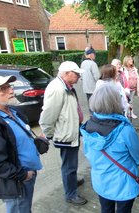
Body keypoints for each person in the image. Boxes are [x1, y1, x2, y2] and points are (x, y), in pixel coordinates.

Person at [80, 83, 139, 213]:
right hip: (124, 182)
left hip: (101, 180)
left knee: (106, 209)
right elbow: (137, 157)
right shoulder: (125, 129)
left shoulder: (87, 127)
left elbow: (88, 153)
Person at [39, 61, 87, 205]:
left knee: (71, 163)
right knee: (69, 165)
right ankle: (70, 194)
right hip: (66, 134)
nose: (79, 76)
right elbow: (47, 116)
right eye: (76, 73)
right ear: (67, 73)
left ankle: (71, 180)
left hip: (71, 130)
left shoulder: (66, 86)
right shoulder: (57, 89)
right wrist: (48, 135)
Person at [0, 75, 42, 212]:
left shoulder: (13, 111)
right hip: (17, 181)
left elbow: (18, 140)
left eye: (10, 86)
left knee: (25, 208)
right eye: (2, 89)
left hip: (27, 175)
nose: (10, 91)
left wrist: (37, 142)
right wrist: (23, 175)